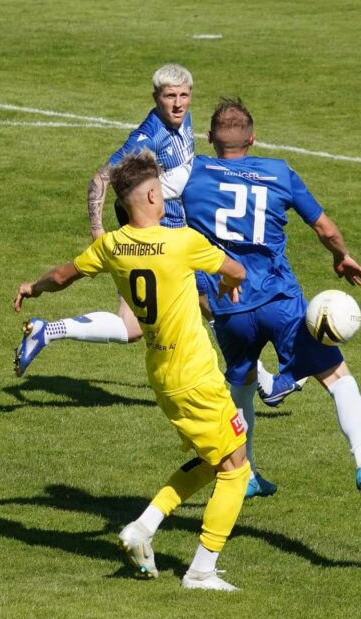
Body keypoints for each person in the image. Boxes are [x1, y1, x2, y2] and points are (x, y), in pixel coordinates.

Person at [13, 151, 251, 591]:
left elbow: (62, 276)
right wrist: (227, 282)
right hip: (196, 376)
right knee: (237, 470)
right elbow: (237, 269)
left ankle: (143, 528)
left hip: (162, 374)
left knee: (212, 459)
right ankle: (201, 571)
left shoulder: (112, 247)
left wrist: (33, 287)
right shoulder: (182, 242)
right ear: (153, 196)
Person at [173, 97, 361, 508]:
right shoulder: (278, 172)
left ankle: (246, 473)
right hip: (279, 300)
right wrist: (341, 256)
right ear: (253, 138)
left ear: (210, 137)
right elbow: (323, 227)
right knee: (338, 378)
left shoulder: (190, 173)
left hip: (228, 303)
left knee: (241, 387)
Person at [15, 64, 196, 377]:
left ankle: (46, 331)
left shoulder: (183, 119)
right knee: (209, 303)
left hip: (173, 232)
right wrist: (97, 229)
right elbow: (101, 178)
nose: (178, 104)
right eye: (170, 96)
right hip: (156, 237)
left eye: (184, 95)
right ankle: (254, 377)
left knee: (131, 326)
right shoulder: (147, 137)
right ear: (155, 97)